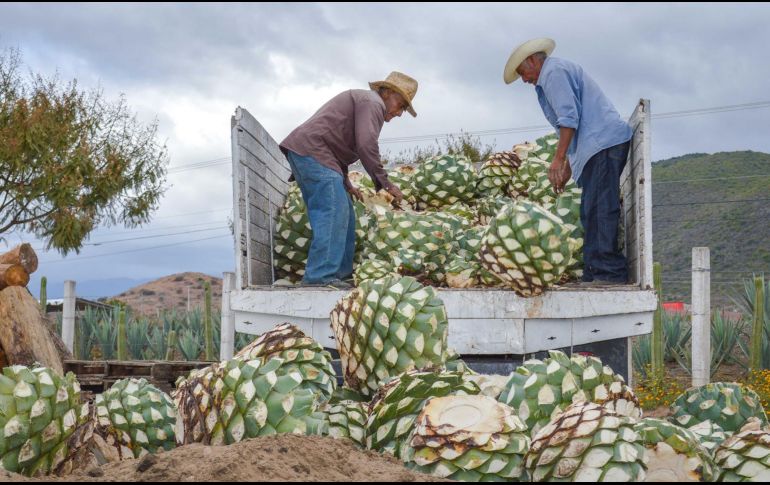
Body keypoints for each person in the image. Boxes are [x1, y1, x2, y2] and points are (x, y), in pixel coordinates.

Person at [504, 38, 632, 285]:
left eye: (523, 72)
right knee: (590, 210)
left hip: (603, 143)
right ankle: (595, 271)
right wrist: (568, 165)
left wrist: (558, 159)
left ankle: (610, 273)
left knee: (601, 208)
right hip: (595, 148)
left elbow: (569, 118)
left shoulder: (553, 73)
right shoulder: (551, 75)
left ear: (532, 60)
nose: (524, 79)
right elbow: (576, 124)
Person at [279, 71, 417, 288]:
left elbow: (338, 146)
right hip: (313, 152)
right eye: (401, 105)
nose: (400, 113)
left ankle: (340, 277)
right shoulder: (373, 103)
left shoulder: (366, 103)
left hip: (317, 155)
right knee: (332, 212)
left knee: (346, 215)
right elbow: (366, 145)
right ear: (388, 92)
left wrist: (346, 183)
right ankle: (319, 278)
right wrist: (385, 184)